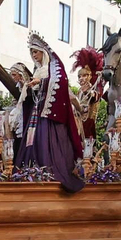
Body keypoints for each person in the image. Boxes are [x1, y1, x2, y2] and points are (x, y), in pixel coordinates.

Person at [19, 33, 85, 192]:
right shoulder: (39, 69)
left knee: (50, 142)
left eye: (36, 51)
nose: (34, 55)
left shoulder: (54, 68)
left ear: (44, 51)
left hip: (50, 116)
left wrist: (41, 82)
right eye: (32, 52)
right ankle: (33, 171)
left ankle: (51, 172)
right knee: (34, 140)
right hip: (38, 110)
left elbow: (61, 83)